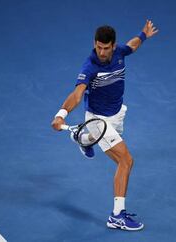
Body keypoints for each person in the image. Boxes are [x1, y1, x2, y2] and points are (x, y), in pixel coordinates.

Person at [51, 20, 158, 231]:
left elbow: (132, 46)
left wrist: (143, 35)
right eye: (98, 47)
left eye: (105, 48)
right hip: (97, 118)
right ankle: (117, 215)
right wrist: (61, 114)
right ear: (95, 43)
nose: (101, 52)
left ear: (113, 45)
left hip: (117, 114)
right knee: (126, 161)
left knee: (98, 140)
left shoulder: (119, 52)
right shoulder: (89, 66)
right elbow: (77, 94)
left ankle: (82, 139)